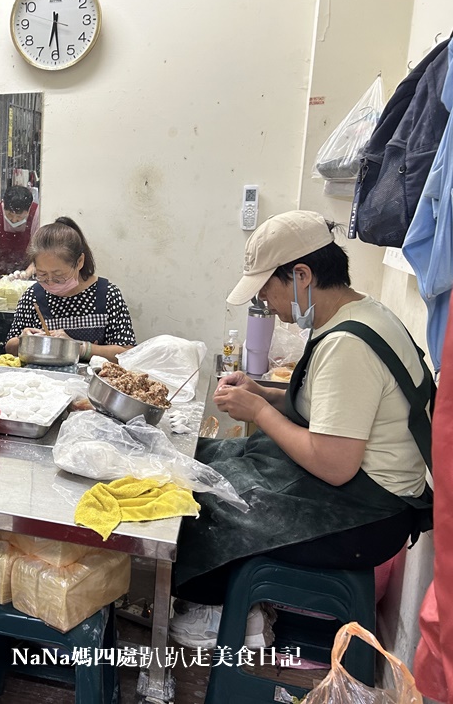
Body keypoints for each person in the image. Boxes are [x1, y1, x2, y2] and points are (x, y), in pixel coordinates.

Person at [170, 211, 433, 649]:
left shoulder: (348, 344)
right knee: (204, 459)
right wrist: (263, 393)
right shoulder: (357, 313)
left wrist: (259, 410)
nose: (265, 302)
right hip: (359, 490)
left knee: (209, 499)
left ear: (302, 275)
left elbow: (334, 465)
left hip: (367, 514)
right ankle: (226, 600)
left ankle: (223, 613)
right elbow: (329, 411)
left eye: (266, 288)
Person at [5, 217, 136, 362]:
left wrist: (80, 348)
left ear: (79, 262)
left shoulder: (107, 295)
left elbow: (127, 353)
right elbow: (10, 347)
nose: (50, 282)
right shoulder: (32, 296)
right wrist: (24, 341)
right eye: (42, 274)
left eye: (58, 276)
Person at [0, 185, 40, 279]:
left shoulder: (37, 214)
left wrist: (26, 274)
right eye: (10, 215)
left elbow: (40, 253)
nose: (14, 220)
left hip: (28, 274)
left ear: (28, 209)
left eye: (19, 217)